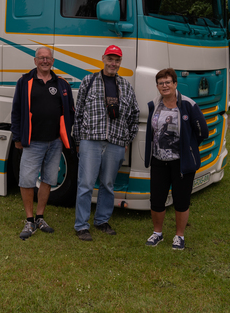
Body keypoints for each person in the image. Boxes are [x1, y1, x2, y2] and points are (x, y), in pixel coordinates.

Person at [73, 45, 140, 241]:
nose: (113, 63)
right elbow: (78, 113)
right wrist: (78, 139)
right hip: (90, 140)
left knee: (108, 184)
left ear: (120, 62)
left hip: (116, 143)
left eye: (117, 60)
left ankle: (102, 220)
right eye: (110, 59)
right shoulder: (89, 80)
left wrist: (126, 139)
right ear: (103, 58)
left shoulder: (126, 86)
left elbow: (134, 115)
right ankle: (81, 225)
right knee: (85, 184)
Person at [11, 47, 75, 240]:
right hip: (32, 142)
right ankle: (29, 220)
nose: (45, 61)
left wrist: (66, 135)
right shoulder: (24, 82)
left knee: (48, 180)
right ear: (35, 61)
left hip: (55, 142)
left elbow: (70, 111)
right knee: (27, 180)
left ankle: (40, 217)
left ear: (53, 61)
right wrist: (17, 137)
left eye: (48, 58)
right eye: (41, 58)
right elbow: (16, 111)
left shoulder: (62, 84)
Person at [144, 68, 208, 250]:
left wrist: (189, 146)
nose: (164, 86)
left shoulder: (188, 105)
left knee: (181, 201)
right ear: (157, 86)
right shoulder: (154, 104)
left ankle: (179, 236)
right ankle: (157, 233)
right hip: (158, 160)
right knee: (156, 200)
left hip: (181, 162)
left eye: (168, 82)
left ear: (175, 84)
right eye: (161, 83)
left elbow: (202, 131)